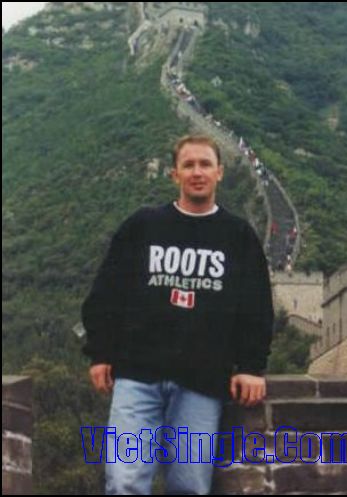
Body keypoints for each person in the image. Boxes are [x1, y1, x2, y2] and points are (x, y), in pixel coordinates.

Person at [81, 135, 274, 495]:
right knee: (124, 480)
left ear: (219, 172)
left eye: (205, 164)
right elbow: (108, 291)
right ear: (175, 174)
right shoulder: (143, 225)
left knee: (189, 485)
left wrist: (251, 365)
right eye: (189, 165)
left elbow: (257, 306)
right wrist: (101, 352)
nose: (197, 172)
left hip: (201, 382)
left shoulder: (238, 236)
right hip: (137, 377)